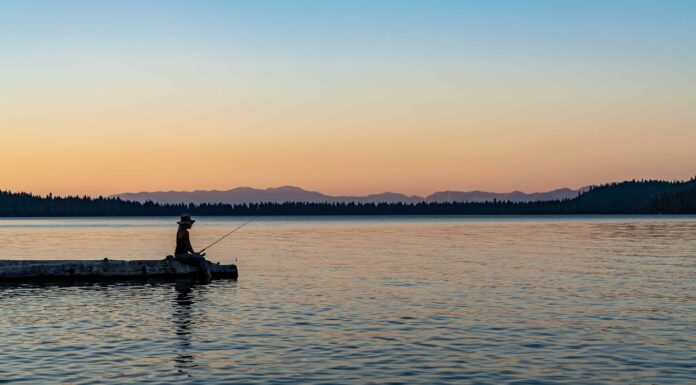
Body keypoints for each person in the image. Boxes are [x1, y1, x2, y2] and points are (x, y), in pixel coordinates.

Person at [174, 214, 212, 281]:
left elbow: (186, 247)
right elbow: (188, 246)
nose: (191, 225)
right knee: (202, 259)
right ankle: (208, 276)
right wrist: (194, 253)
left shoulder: (179, 231)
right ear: (187, 224)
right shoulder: (185, 232)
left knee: (198, 260)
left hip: (178, 256)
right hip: (182, 256)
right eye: (190, 223)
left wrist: (194, 254)